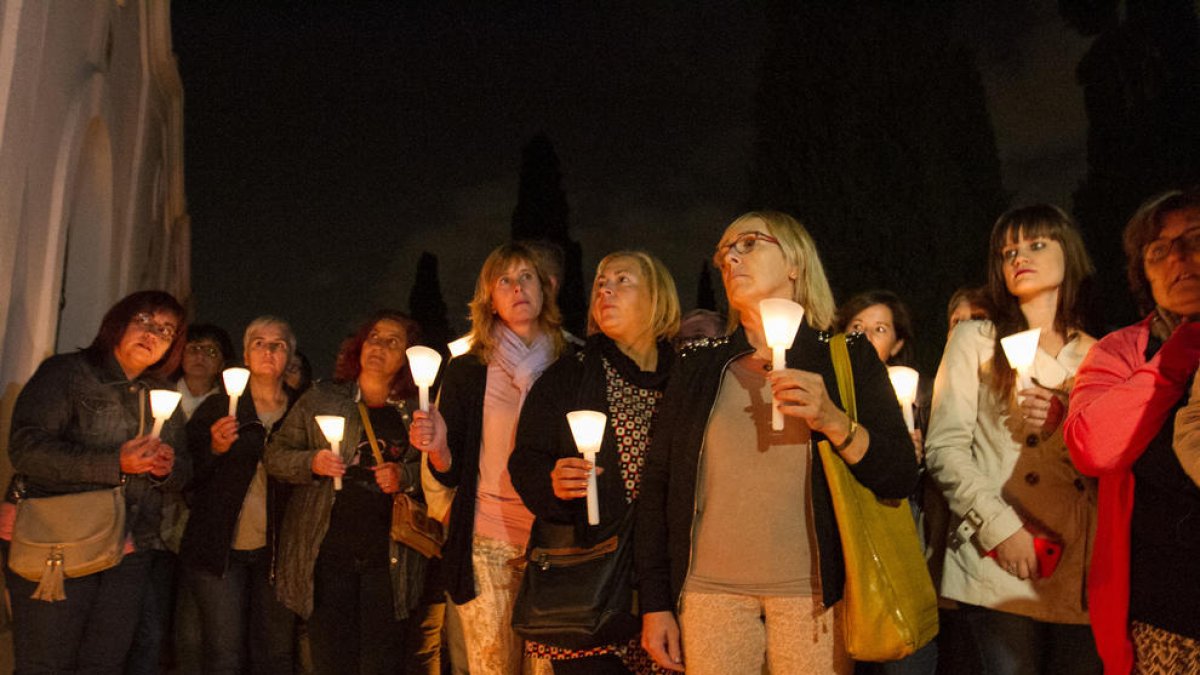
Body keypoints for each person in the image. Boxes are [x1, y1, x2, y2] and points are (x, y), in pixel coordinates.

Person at [637, 211, 918, 674]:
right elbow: (658, 486)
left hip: (814, 600)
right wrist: (655, 601)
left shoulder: (846, 357)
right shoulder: (697, 366)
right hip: (711, 598)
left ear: (794, 262)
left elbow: (900, 475)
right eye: (723, 253)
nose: (730, 259)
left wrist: (833, 421)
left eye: (748, 243)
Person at [925, 205, 1101, 674]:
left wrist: (1067, 422)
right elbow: (944, 448)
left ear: (1070, 252)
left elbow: (1108, 460)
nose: (1019, 257)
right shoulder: (976, 339)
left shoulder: (1098, 353)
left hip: (1078, 563)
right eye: (1008, 251)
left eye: (1037, 244)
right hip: (1002, 560)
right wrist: (1001, 528)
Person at [510, 251, 681, 674]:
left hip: (674, 581)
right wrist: (554, 483)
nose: (605, 288)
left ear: (658, 299)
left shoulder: (686, 379)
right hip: (592, 584)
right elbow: (526, 460)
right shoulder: (568, 376)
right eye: (601, 281)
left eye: (623, 280)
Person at [1, 290, 190, 673]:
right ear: (117, 322)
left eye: (167, 330)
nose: (153, 334)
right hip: (62, 542)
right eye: (144, 321)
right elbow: (27, 448)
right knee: (46, 662)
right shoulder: (68, 373)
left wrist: (167, 468)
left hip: (128, 551)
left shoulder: (164, 396)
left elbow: (184, 471)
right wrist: (115, 463)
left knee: (103, 663)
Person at [409, 242, 569, 674]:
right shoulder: (468, 368)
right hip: (486, 540)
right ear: (490, 300)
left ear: (544, 288)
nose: (517, 288)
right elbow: (451, 467)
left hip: (553, 542)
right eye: (505, 281)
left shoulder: (571, 364)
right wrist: (439, 446)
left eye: (526, 277)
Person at [1064, 188, 1200, 674]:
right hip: (1166, 619)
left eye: (1194, 239)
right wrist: (1184, 346)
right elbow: (1094, 449)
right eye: (1158, 251)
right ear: (1143, 272)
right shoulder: (1123, 352)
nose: (1179, 258)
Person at [265, 310, 431, 674]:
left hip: (389, 558)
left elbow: (437, 473)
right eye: (374, 337)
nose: (380, 347)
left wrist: (404, 475)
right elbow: (276, 456)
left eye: (393, 342)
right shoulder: (322, 397)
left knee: (381, 660)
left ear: (408, 356)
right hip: (327, 554)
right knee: (330, 657)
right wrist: (312, 461)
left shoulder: (417, 411)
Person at [181, 316, 299, 674]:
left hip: (279, 552)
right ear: (245, 356)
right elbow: (184, 476)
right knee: (224, 653)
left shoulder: (301, 411)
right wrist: (215, 450)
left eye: (277, 344)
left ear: (289, 356)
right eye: (259, 343)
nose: (268, 350)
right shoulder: (218, 409)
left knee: (276, 652)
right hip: (220, 548)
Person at [835, 290, 938, 675]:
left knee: (903, 633)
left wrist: (911, 457)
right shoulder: (827, 391)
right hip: (842, 525)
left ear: (896, 344)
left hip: (897, 524)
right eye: (856, 327)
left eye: (878, 330)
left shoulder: (915, 397)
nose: (863, 337)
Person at [176, 323, 236, 419]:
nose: (200, 357)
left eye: (211, 351)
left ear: (223, 363)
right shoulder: (159, 394)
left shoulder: (230, 404)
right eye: (193, 349)